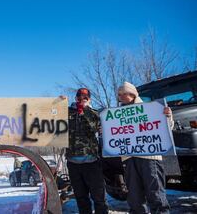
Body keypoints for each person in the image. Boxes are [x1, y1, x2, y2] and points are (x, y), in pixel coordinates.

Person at [117, 82, 173, 214]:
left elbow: (167, 128)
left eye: (123, 93)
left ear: (132, 93)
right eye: (119, 95)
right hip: (129, 159)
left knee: (156, 195)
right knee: (135, 198)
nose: (120, 97)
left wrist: (168, 116)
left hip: (149, 157)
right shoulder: (117, 115)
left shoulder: (151, 108)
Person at [66, 88, 109, 214]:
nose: (82, 99)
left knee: (99, 198)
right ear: (76, 98)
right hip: (73, 163)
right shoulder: (67, 112)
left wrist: (85, 110)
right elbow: (51, 119)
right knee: (81, 198)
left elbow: (101, 129)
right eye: (79, 97)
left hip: (92, 162)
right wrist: (58, 103)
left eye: (85, 97)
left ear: (89, 99)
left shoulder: (95, 114)